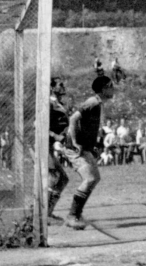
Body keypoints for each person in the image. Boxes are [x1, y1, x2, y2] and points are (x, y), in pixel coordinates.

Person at [64, 75, 116, 230]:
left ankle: (76, 213)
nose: (113, 89)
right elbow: (73, 119)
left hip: (85, 147)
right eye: (111, 86)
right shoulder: (92, 102)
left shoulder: (98, 104)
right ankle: (72, 216)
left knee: (95, 178)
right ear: (104, 88)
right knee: (89, 179)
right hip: (75, 147)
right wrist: (74, 142)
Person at [47, 78, 70, 223]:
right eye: (59, 85)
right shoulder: (49, 103)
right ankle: (44, 214)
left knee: (62, 179)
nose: (63, 87)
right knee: (56, 178)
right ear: (52, 87)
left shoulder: (58, 103)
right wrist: (55, 136)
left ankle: (47, 212)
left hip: (52, 145)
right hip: (44, 144)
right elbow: (39, 124)